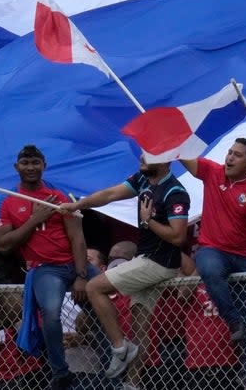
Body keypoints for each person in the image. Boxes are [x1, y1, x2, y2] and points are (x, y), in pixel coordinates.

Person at [57, 153, 190, 379]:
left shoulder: (175, 192)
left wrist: (148, 221)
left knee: (93, 287)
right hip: (146, 259)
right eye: (144, 151)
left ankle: (119, 348)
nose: (142, 156)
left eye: (151, 154)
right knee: (140, 325)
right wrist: (78, 204)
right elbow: (109, 194)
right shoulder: (142, 179)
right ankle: (133, 383)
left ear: (167, 161)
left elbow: (178, 238)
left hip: (158, 263)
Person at [178, 138, 246, 389]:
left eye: (237, 155)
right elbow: (184, 157)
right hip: (213, 249)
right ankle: (233, 320)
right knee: (208, 268)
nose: (229, 158)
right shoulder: (212, 172)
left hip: (245, 256)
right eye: (229, 153)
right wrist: (172, 142)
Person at [0, 145, 91, 390]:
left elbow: (77, 238)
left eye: (35, 162)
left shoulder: (60, 197)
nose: (30, 168)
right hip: (46, 268)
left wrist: (81, 276)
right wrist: (35, 219)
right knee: (51, 314)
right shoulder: (6, 202)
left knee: (107, 294)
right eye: (25, 163)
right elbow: (3, 245)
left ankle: (116, 354)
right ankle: (60, 373)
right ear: (17, 167)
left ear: (44, 166)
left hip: (74, 264)